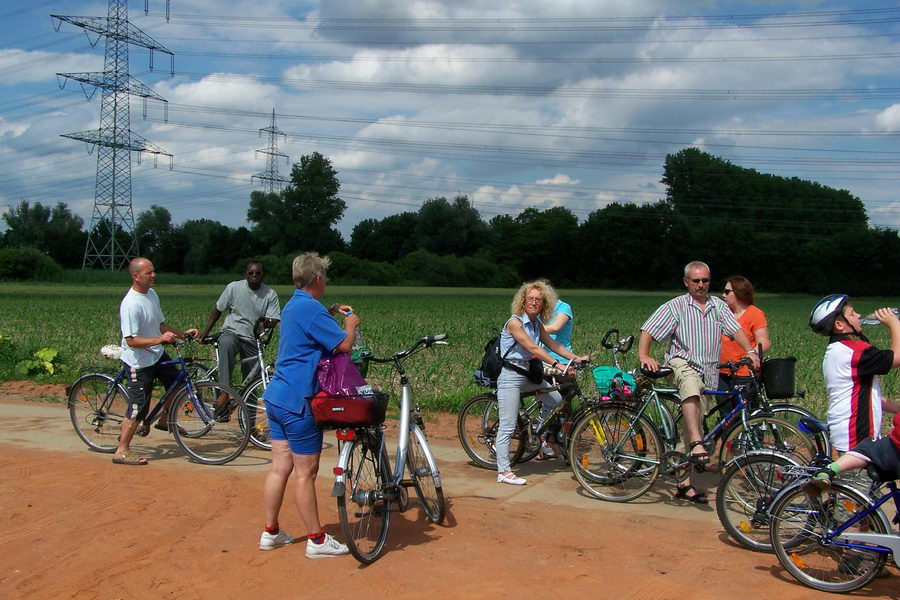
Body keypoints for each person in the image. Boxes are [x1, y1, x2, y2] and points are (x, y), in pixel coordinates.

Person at [259, 252, 355, 558]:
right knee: (306, 472)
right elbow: (344, 344)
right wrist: (351, 322)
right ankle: (316, 540)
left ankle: (270, 532)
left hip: (276, 396)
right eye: (324, 277)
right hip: (299, 400)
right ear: (317, 279)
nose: (326, 281)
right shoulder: (311, 310)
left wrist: (328, 310)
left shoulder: (294, 305)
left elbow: (309, 323)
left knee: (280, 467)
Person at [638, 261, 759, 503]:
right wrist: (644, 355)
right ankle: (695, 443)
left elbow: (736, 330)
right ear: (686, 282)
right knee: (691, 388)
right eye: (696, 281)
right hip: (681, 364)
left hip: (708, 371)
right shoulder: (676, 306)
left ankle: (684, 484)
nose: (701, 285)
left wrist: (751, 351)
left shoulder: (717, 306)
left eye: (705, 280)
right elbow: (649, 329)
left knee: (694, 424)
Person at [495, 280, 589, 485]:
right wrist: (559, 365)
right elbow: (534, 349)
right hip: (511, 376)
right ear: (523, 301)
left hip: (529, 376)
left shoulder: (537, 325)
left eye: (538, 300)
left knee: (556, 400)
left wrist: (575, 359)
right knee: (508, 425)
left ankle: (535, 433)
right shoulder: (515, 322)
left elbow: (553, 344)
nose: (534, 303)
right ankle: (503, 471)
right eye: (530, 299)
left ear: (544, 304)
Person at [113, 257, 198, 466]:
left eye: (153, 271)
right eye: (148, 273)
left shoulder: (151, 294)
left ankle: (164, 421)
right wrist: (159, 340)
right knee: (138, 407)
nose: (153, 275)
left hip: (156, 354)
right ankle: (122, 450)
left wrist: (180, 334)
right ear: (136, 276)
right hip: (138, 362)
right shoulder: (130, 304)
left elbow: (160, 324)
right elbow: (131, 340)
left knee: (178, 385)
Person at [809, 296, 900, 454]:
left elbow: (869, 397)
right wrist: (894, 324)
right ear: (839, 324)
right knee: (861, 478)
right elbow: (897, 358)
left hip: (846, 431)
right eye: (852, 313)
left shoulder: (837, 349)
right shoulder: (853, 351)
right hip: (856, 435)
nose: (858, 315)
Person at [198, 261, 280, 391]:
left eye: (258, 273)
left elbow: (273, 319)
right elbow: (218, 309)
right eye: (251, 273)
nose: (254, 275)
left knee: (252, 377)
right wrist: (206, 331)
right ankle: (225, 391)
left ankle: (248, 408)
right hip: (233, 332)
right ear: (245, 274)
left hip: (253, 338)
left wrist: (268, 323)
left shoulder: (270, 294)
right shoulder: (234, 288)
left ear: (263, 275)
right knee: (226, 343)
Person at [718, 276, 771, 416]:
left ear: (739, 292)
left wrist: (750, 354)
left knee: (748, 414)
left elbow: (763, 342)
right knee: (726, 416)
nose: (723, 295)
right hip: (722, 372)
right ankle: (729, 438)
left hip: (744, 373)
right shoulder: (722, 314)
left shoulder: (755, 314)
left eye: (727, 291)